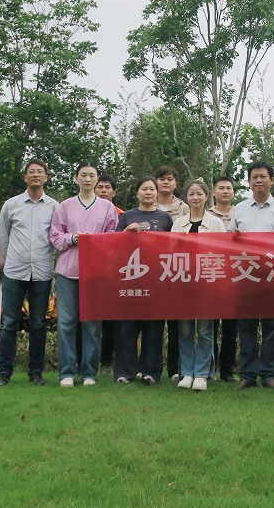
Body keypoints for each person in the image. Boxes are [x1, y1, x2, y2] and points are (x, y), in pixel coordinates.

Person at [49, 162, 118, 387]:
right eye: (83, 175)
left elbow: (112, 237)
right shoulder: (65, 206)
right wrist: (72, 238)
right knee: (66, 323)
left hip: (95, 273)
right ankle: (67, 372)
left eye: (92, 176)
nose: (88, 179)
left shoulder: (107, 207)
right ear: (76, 178)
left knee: (92, 325)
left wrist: (96, 241)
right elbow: (55, 236)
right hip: (68, 272)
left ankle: (89, 372)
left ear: (97, 179)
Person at [0, 159, 60, 387]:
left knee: (39, 324)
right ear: (25, 177)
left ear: (46, 178)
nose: (35, 175)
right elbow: (3, 238)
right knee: (9, 322)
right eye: (31, 171)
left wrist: (44, 258)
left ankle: (36, 372)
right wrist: (15, 258)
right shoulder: (11, 205)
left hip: (41, 273)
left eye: (40, 172)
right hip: (14, 272)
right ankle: (4, 374)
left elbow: (55, 240)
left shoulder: (54, 207)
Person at [231, 161, 274, 390]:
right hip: (246, 274)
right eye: (254, 177)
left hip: (273, 274)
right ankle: (247, 374)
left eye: (263, 176)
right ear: (248, 182)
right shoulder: (239, 209)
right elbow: (228, 241)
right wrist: (235, 236)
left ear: (271, 181)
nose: (258, 180)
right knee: (246, 327)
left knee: (273, 327)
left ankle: (269, 374)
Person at [114, 176, 174, 384]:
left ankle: (151, 372)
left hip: (156, 279)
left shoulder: (165, 218)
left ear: (157, 193)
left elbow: (173, 247)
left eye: (151, 189)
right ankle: (125, 372)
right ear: (137, 193)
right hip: (130, 279)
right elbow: (114, 245)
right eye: (144, 189)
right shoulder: (127, 216)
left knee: (154, 327)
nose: (148, 192)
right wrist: (126, 233)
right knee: (126, 326)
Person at [172, 179, 225, 391]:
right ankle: (187, 373)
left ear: (206, 196)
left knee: (205, 330)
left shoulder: (216, 223)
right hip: (183, 283)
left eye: (199, 194)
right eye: (191, 194)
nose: (195, 197)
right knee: (185, 330)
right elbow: (170, 253)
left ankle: (201, 374)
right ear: (186, 197)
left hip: (207, 283)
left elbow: (223, 253)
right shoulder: (178, 223)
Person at [156, 166, 188, 380]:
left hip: (178, 270)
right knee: (153, 321)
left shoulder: (184, 208)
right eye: (162, 179)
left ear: (176, 183)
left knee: (177, 323)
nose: (166, 182)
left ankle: (175, 368)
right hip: (152, 271)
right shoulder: (148, 204)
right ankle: (150, 367)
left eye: (170, 179)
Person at [208, 175, 237, 381]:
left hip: (235, 275)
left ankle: (227, 370)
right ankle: (209, 368)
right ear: (213, 192)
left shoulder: (240, 212)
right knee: (210, 326)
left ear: (233, 192)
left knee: (231, 327)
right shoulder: (206, 215)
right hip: (211, 274)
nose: (225, 191)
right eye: (221, 188)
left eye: (229, 188)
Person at [95, 174, 123, 374]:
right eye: (100, 187)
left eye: (107, 188)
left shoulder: (123, 215)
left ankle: (107, 362)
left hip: (115, 273)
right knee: (86, 317)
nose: (103, 191)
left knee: (111, 320)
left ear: (114, 192)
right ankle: (83, 361)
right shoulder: (85, 212)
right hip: (89, 271)